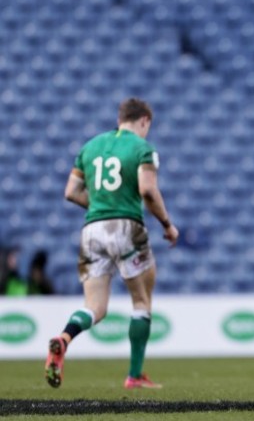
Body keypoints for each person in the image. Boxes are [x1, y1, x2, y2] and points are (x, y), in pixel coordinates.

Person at [45, 98, 179, 389]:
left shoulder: (90, 147)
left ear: (120, 119)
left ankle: (64, 338)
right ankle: (134, 375)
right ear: (144, 120)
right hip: (127, 226)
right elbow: (148, 190)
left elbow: (70, 192)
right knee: (141, 301)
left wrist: (102, 206)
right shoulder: (143, 149)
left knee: (95, 307)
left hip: (92, 228)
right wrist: (167, 225)